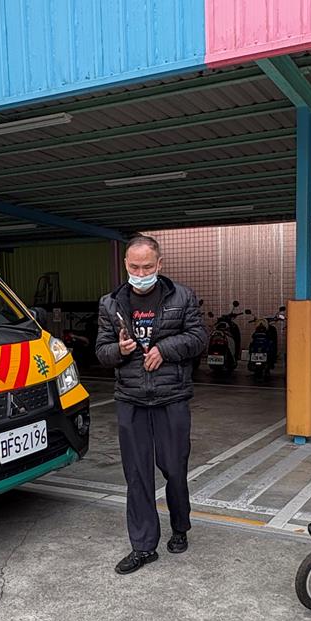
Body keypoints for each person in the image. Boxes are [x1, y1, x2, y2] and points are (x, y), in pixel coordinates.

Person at [96, 235, 208, 575]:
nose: (141, 273)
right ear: (125, 265)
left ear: (159, 264)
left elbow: (199, 338)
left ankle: (180, 526)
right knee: (137, 474)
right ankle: (143, 546)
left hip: (171, 396)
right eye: (134, 267)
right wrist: (120, 350)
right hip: (130, 399)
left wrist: (164, 349)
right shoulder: (111, 304)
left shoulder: (182, 296)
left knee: (174, 467)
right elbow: (101, 351)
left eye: (147, 267)